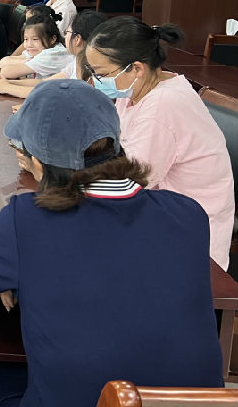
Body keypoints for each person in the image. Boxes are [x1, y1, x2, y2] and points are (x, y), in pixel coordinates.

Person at [0, 80, 223, 407]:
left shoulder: (25, 217)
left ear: (38, 163)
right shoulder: (188, 213)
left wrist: (16, 277)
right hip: (194, 405)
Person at [85, 17, 234, 270]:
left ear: (136, 68)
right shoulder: (135, 89)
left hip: (187, 233)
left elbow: (129, 183)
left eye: (101, 74)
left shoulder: (163, 106)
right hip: (156, 210)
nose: (96, 81)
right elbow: (113, 144)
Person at [0, 10, 108, 98]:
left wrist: (6, 87)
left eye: (67, 32)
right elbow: (45, 83)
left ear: (77, 39)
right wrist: (5, 82)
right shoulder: (77, 61)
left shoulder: (91, 71)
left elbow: (46, 93)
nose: (65, 36)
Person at [0, 15, 70, 79]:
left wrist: (22, 64)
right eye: (26, 39)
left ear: (52, 39)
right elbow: (2, 62)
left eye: (35, 39)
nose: (29, 45)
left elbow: (6, 72)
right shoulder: (37, 50)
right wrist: (23, 62)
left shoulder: (54, 55)